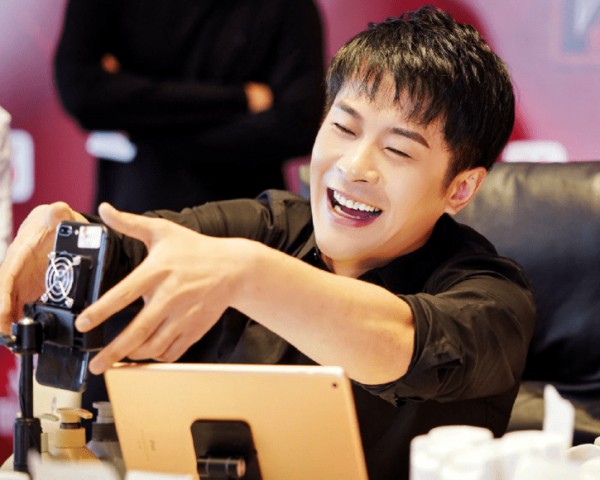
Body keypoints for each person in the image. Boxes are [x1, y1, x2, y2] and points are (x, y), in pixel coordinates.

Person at [0, 7, 536, 479]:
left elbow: (400, 342)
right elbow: (130, 249)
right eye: (344, 129)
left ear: (460, 188)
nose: (354, 167)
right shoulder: (272, 226)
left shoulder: (494, 297)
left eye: (398, 151)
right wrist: (57, 237)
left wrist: (247, 275)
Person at [54, 0, 325, 213]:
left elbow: (298, 126)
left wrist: (142, 131)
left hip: (249, 227)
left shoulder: (289, 7)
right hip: (134, 220)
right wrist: (238, 99)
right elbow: (81, 94)